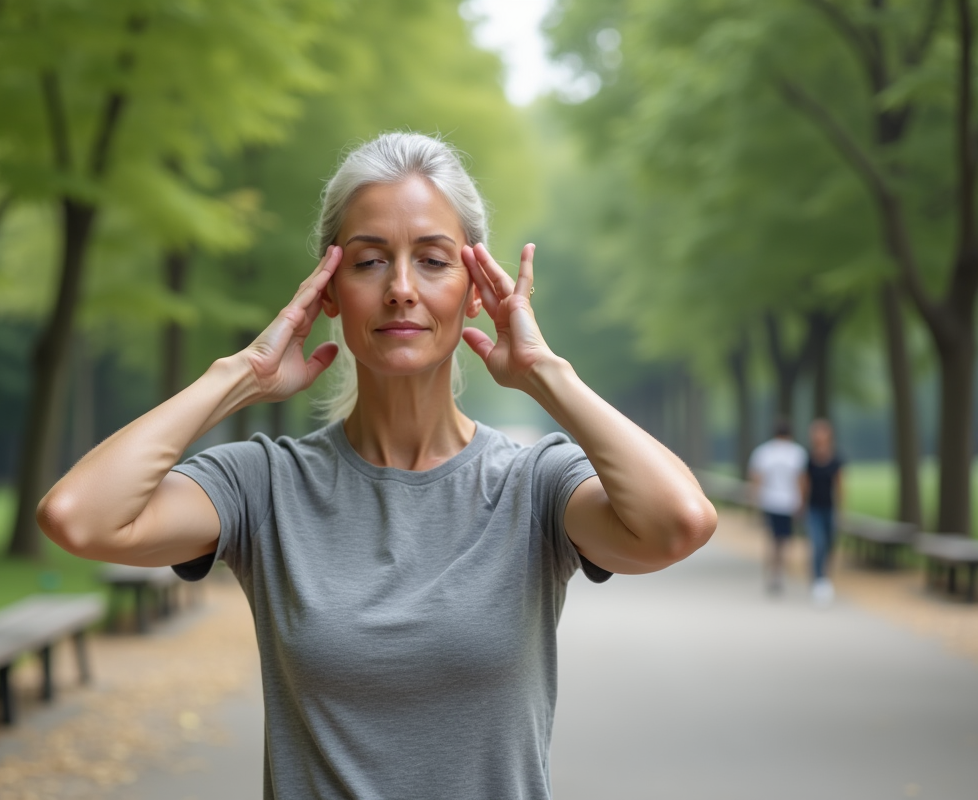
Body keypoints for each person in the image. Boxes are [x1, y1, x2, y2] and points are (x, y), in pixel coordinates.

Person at [37, 132, 717, 799]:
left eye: (432, 260)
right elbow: (78, 517)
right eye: (368, 262)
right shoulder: (264, 485)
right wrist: (238, 376)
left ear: (476, 287)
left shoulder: (535, 485)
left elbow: (678, 523)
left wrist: (546, 375)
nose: (399, 289)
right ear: (327, 290)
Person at [748, 419, 808, 595]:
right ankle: (780, 571)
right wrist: (802, 502)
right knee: (785, 539)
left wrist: (755, 499)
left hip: (770, 501)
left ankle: (772, 571)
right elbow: (801, 480)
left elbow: (757, 478)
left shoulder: (764, 452)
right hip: (789, 502)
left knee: (772, 538)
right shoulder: (797, 453)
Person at [801, 418, 845, 607]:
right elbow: (804, 483)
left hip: (829, 508)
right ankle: (819, 580)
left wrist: (841, 509)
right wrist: (801, 505)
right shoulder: (808, 459)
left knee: (829, 544)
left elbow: (840, 484)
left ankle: (825, 576)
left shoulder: (836, 459)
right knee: (817, 543)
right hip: (813, 508)